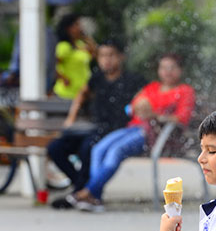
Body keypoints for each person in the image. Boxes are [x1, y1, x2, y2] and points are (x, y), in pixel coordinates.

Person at [68, 53, 196, 212]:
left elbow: (182, 118)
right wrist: (137, 108)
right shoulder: (152, 87)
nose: (167, 72)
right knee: (98, 148)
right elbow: (130, 109)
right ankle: (95, 197)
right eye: (163, 67)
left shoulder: (185, 91)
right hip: (134, 128)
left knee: (115, 151)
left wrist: (155, 116)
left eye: (172, 68)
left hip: (156, 136)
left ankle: (88, 192)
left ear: (180, 71)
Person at [49, 39, 146, 208]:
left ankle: (83, 192)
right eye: (102, 56)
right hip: (95, 127)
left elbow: (147, 100)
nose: (106, 60)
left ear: (121, 57)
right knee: (55, 147)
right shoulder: (97, 77)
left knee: (89, 147)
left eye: (111, 55)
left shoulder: (133, 80)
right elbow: (82, 93)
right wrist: (71, 118)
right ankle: (81, 187)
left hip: (117, 130)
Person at [52, 13, 97, 99]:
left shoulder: (79, 44)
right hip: (66, 93)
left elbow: (94, 54)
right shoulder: (64, 46)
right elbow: (53, 64)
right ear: (68, 29)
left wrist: (87, 39)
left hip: (82, 93)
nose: (80, 27)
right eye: (76, 25)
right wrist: (63, 78)